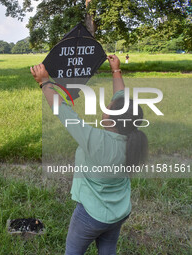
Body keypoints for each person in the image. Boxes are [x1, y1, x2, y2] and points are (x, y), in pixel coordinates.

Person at [30, 55, 148, 255]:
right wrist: (116, 70)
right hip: (120, 211)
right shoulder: (133, 137)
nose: (106, 108)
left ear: (112, 120)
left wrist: (45, 83)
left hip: (91, 215)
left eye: (108, 109)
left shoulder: (96, 141)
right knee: (108, 249)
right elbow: (121, 98)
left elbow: (64, 111)